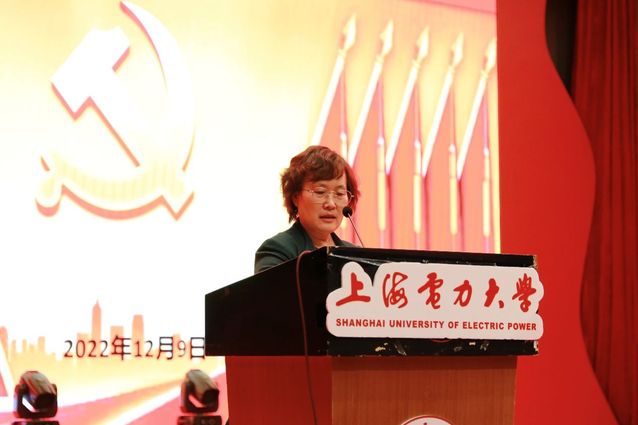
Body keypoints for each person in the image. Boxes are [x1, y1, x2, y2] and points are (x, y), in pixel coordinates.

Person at [254, 145, 360, 273]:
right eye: (320, 192)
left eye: (339, 193)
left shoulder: (355, 256)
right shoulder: (278, 250)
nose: (331, 204)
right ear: (295, 197)